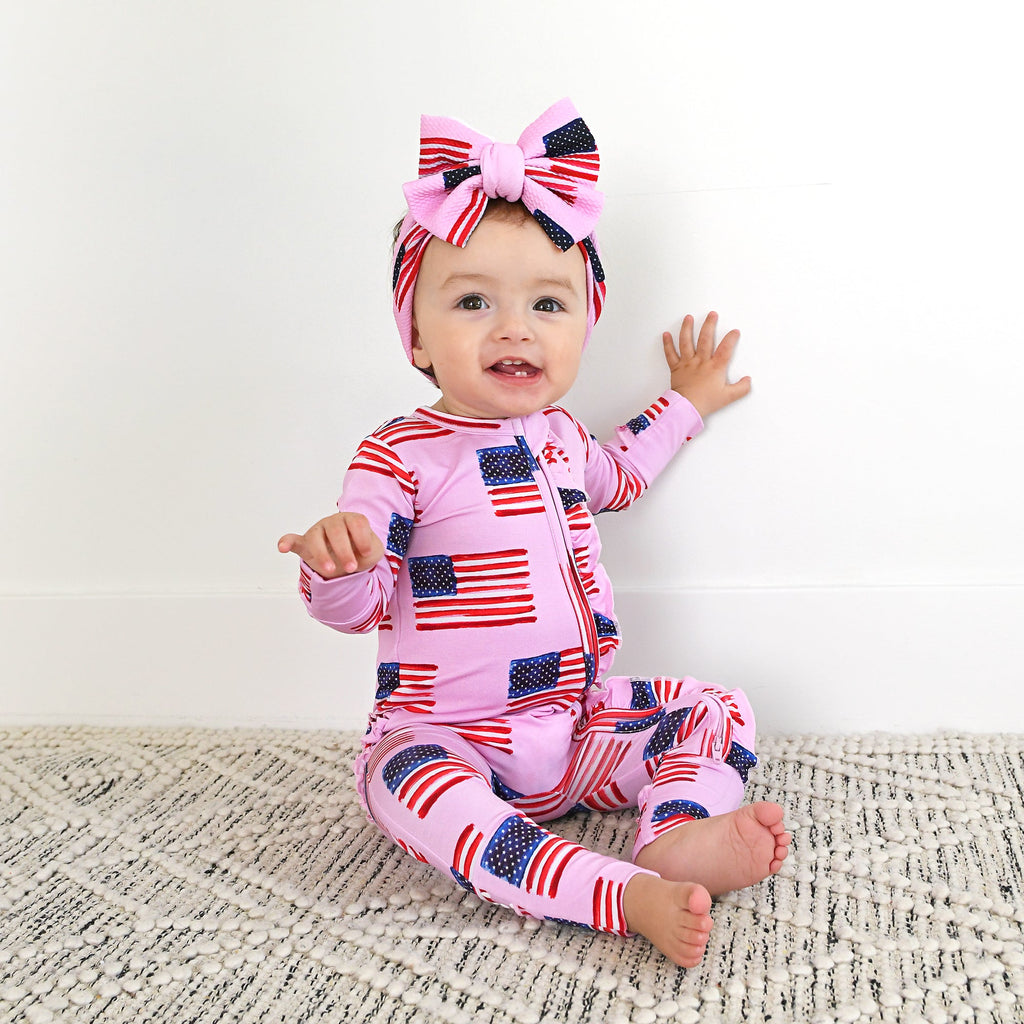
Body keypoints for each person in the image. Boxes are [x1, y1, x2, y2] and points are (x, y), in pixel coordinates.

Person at [278, 99, 790, 967]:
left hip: (572, 726)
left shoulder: (561, 441)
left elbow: (623, 472)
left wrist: (687, 402)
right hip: (448, 739)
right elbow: (356, 603)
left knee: (712, 708)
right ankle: (617, 893)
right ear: (416, 337)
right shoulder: (400, 456)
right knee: (413, 789)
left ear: (583, 326)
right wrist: (338, 563)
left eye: (548, 303)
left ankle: (676, 834)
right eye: (473, 300)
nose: (514, 327)